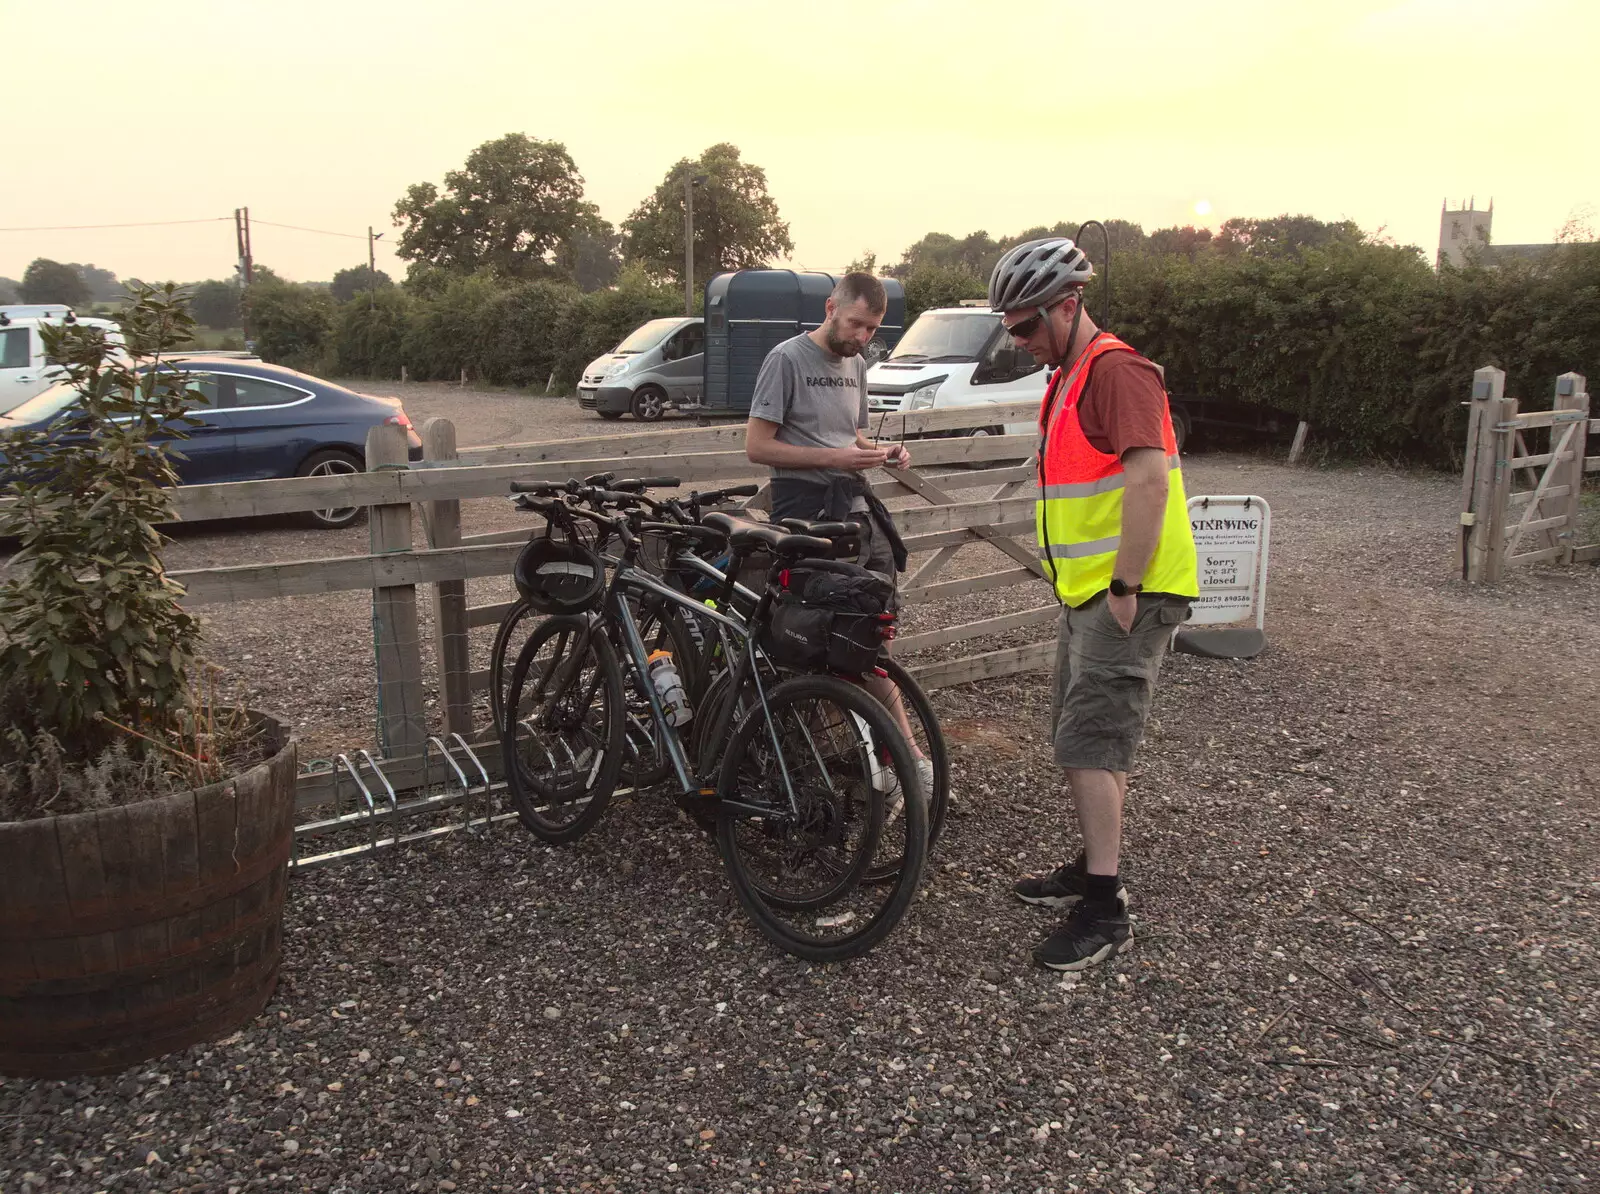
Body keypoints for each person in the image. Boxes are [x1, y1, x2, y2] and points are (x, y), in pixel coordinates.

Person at [988, 238, 1199, 972]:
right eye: (1010, 328)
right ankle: (1093, 863)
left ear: (1068, 305)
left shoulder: (1117, 370)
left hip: (1128, 593)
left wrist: (1125, 587)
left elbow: (1149, 482)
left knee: (1088, 744)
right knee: (1086, 738)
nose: (1017, 342)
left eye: (1025, 326)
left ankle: (1105, 911)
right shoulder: (1070, 373)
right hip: (1093, 592)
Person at [743, 271, 934, 798]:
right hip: (804, 513)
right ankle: (866, 756)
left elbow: (851, 433)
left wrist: (881, 453)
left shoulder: (857, 364)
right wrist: (838, 456)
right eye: (856, 324)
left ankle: (894, 756)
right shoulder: (786, 359)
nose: (862, 338)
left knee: (871, 629)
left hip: (854, 506)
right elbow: (758, 446)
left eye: (872, 329)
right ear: (830, 307)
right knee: (825, 633)